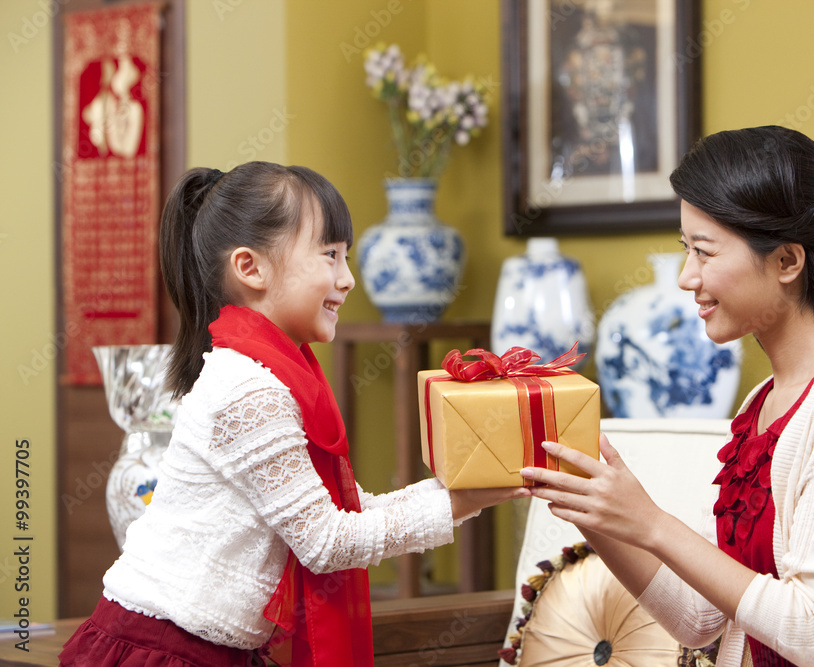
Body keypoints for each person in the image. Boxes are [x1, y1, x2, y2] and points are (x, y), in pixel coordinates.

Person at [60, 162, 527, 667]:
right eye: (330, 255)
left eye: (345, 257)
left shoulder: (267, 371)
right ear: (250, 267)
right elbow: (326, 542)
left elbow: (334, 517)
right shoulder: (247, 387)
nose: (347, 280)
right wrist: (458, 501)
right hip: (165, 652)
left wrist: (462, 493)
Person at [521, 126, 814, 666]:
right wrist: (597, 508)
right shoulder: (762, 402)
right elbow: (699, 620)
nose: (685, 276)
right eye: (686, 249)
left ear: (788, 262)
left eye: (704, 251)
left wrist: (652, 523)